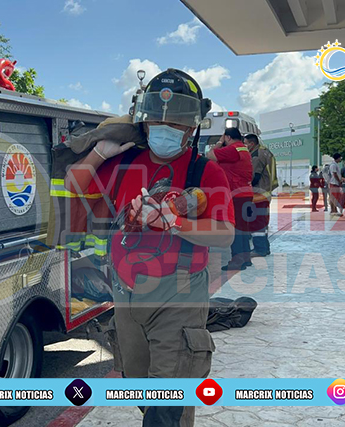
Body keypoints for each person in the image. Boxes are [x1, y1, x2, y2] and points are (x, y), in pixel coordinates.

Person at [65, 69, 234, 425]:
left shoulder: (205, 172)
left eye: (175, 120)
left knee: (166, 403)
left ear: (192, 126)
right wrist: (99, 153)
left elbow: (224, 233)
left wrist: (174, 222)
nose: (164, 126)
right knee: (140, 387)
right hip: (127, 298)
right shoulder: (124, 163)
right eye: (157, 118)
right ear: (143, 120)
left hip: (179, 298)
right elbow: (74, 184)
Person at [207, 127, 254, 271]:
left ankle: (237, 261)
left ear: (228, 137)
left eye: (224, 138)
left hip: (236, 194)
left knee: (235, 229)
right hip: (246, 193)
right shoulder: (243, 149)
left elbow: (209, 155)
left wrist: (219, 142)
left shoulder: (232, 150)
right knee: (243, 228)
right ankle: (245, 258)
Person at [244, 133, 277, 257]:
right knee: (262, 221)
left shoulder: (256, 155)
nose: (244, 146)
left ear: (252, 144)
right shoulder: (265, 152)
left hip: (258, 192)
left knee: (256, 222)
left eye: (245, 143)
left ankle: (260, 249)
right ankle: (264, 247)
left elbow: (254, 177)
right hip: (265, 191)